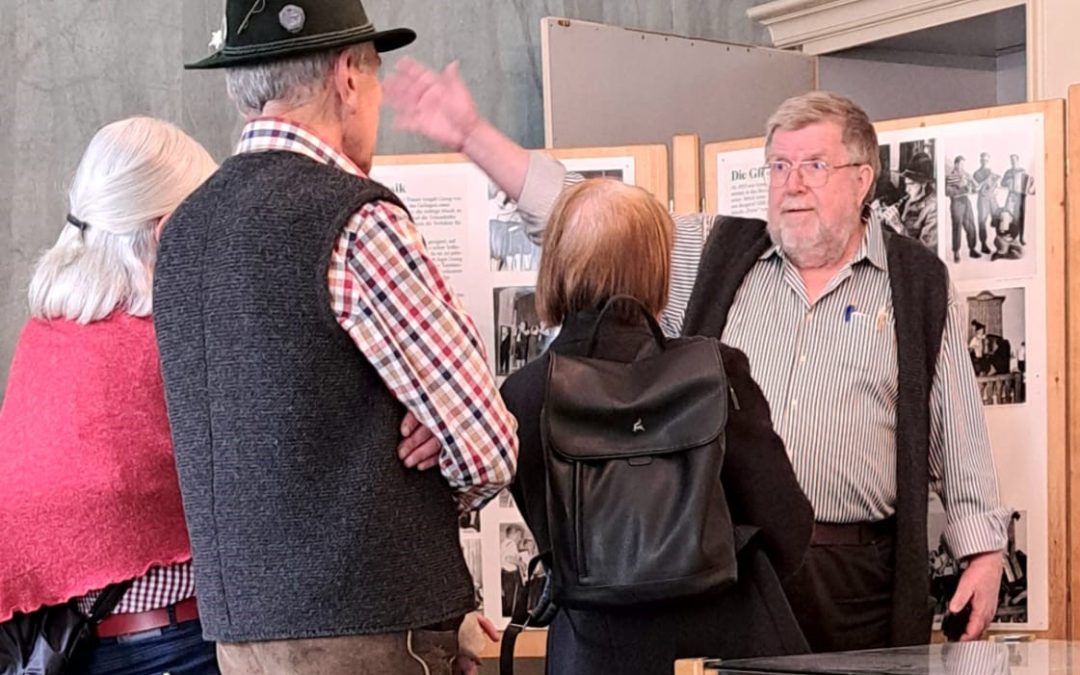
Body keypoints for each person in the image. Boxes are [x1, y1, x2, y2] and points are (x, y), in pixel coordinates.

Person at [384, 68, 1009, 651]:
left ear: (863, 176)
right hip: (736, 570)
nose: (791, 183)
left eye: (814, 164)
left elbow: (956, 423)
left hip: (859, 578)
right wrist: (471, 134)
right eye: (779, 166)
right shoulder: (715, 253)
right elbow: (588, 218)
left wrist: (981, 552)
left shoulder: (918, 283)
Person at [154, 3, 518, 674]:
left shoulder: (181, 233)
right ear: (348, 76)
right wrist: (414, 468)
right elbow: (487, 446)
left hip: (240, 640)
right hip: (372, 631)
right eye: (376, 78)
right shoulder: (356, 218)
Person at [498, 178, 812, 673]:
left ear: (555, 263)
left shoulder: (523, 396)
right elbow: (788, 525)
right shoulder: (715, 370)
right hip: (726, 646)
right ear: (657, 266)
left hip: (593, 654)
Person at [0, 117, 219, 674]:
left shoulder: (44, 336)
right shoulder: (173, 338)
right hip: (180, 643)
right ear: (170, 228)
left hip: (70, 648)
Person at [879, 151, 936, 249]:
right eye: (906, 184)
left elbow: (926, 253)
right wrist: (883, 219)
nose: (906, 189)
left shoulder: (934, 209)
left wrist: (899, 227)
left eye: (911, 184)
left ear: (924, 183)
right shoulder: (910, 200)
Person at [945, 155, 983, 262]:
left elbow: (974, 188)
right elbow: (948, 192)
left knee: (971, 225)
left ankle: (972, 249)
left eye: (963, 164)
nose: (962, 166)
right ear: (956, 164)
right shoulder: (952, 175)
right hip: (956, 202)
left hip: (966, 201)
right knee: (957, 227)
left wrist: (973, 184)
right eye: (961, 164)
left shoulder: (965, 174)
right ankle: (956, 252)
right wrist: (963, 189)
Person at [1001, 154, 1034, 245]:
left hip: (1022, 195)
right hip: (1012, 195)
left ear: (1018, 160)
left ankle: (1021, 237)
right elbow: (1002, 183)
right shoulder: (1008, 172)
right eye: (1011, 160)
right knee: (1010, 216)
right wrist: (1008, 182)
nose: (1012, 162)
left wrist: (1030, 184)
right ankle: (1012, 236)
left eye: (1014, 160)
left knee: (1021, 216)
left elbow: (1029, 182)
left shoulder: (1023, 171)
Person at [972, 152, 999, 239]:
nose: (985, 161)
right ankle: (983, 244)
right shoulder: (977, 173)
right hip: (983, 199)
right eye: (983, 160)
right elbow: (976, 188)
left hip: (992, 198)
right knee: (982, 221)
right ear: (980, 160)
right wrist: (984, 182)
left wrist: (996, 188)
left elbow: (997, 182)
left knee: (998, 218)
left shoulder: (992, 172)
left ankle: (1001, 244)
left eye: (987, 160)